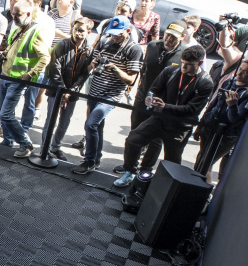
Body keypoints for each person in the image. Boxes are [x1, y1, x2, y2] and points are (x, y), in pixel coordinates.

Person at [113, 44, 213, 186]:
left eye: (189, 64)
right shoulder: (171, 71)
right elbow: (154, 89)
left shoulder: (205, 83)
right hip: (159, 119)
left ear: (200, 63)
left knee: (172, 161)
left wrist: (165, 106)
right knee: (133, 139)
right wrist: (150, 99)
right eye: (183, 62)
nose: (184, 67)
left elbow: (192, 109)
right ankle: (130, 172)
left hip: (180, 127)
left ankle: (165, 188)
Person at [72, 18, 143, 176]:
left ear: (128, 31)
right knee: (97, 126)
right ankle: (96, 159)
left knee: (91, 124)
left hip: (111, 95)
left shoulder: (134, 49)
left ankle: (89, 161)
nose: (114, 37)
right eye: (112, 34)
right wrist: (93, 65)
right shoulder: (104, 41)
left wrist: (115, 69)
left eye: (118, 34)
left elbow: (131, 80)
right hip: (95, 91)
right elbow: (90, 65)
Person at [0, 0, 55, 157]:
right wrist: (5, 53)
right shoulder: (19, 28)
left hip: (18, 79)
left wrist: (30, 74)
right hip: (6, 75)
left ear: (28, 14)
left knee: (6, 114)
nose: (14, 17)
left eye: (18, 14)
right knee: (4, 113)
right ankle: (8, 142)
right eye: (13, 14)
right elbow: (14, 48)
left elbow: (45, 58)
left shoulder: (37, 31)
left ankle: (26, 144)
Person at [194, 55, 248, 183]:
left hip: (225, 136)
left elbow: (235, 119)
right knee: (201, 161)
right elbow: (213, 104)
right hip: (210, 127)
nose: (239, 73)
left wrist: (232, 105)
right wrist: (201, 125)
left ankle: (202, 189)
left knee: (204, 164)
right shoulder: (229, 82)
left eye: (245, 72)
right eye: (240, 69)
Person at [128, 21, 187, 170]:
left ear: (182, 37)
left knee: (156, 139)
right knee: (135, 132)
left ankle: (146, 169)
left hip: (163, 103)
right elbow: (144, 69)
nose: (169, 39)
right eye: (167, 35)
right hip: (143, 97)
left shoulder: (183, 54)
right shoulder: (153, 46)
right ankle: (130, 166)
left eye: (174, 37)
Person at [42, 17, 96, 163]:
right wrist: (63, 90)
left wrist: (70, 92)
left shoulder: (89, 50)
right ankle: (44, 149)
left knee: (64, 122)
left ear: (88, 32)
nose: (78, 33)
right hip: (56, 89)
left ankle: (55, 147)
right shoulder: (62, 45)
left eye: (81, 31)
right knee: (50, 120)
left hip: (72, 92)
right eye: (76, 30)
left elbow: (84, 74)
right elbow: (54, 68)